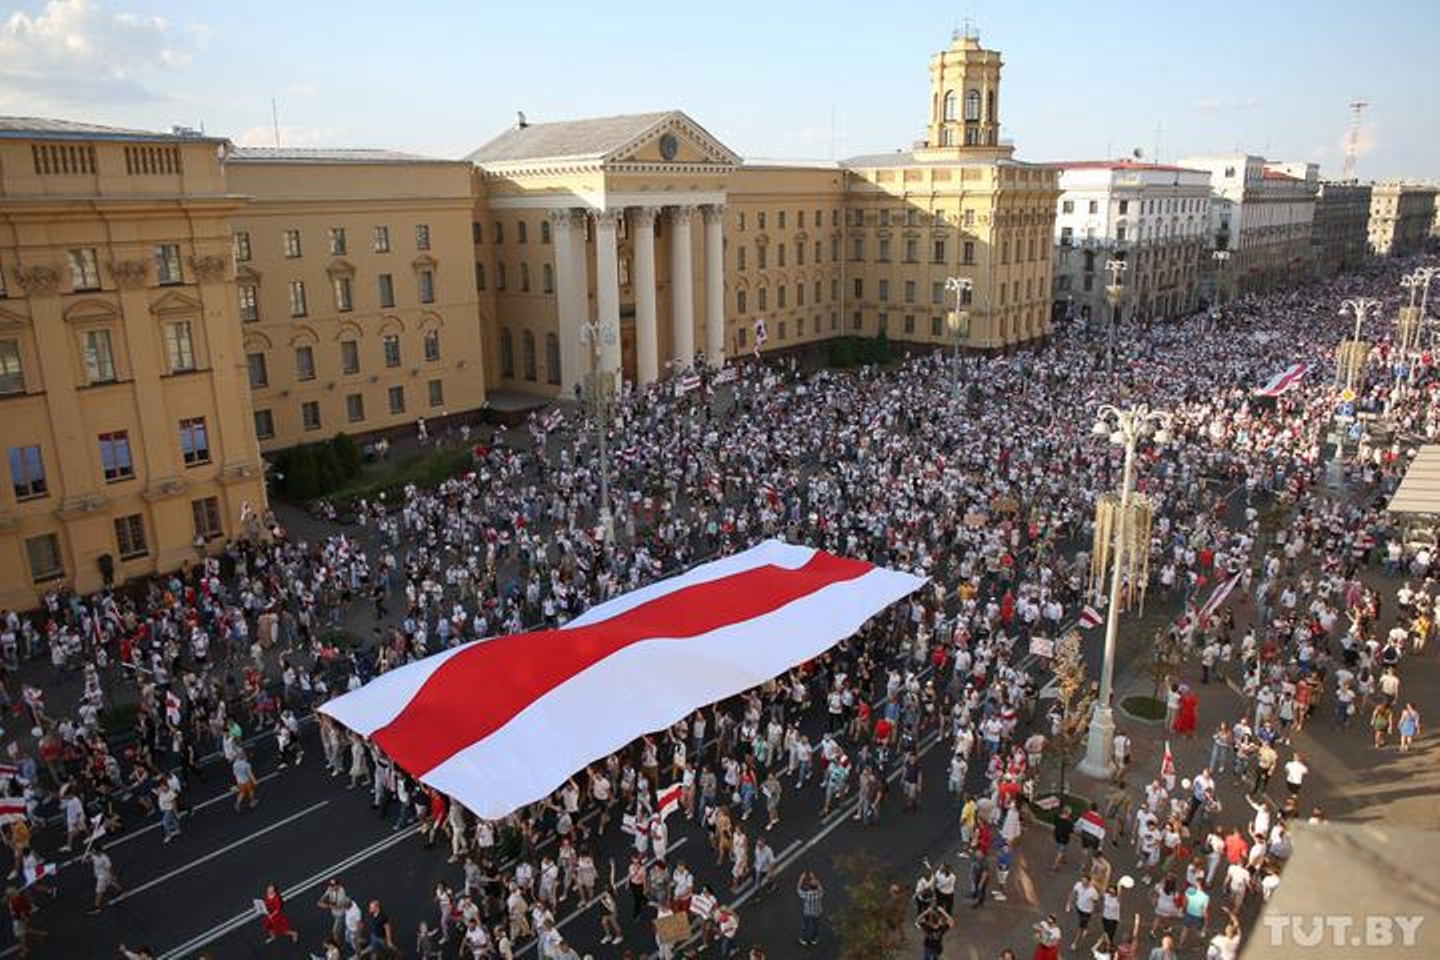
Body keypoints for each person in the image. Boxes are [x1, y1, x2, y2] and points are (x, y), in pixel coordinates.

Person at [796, 871, 823, 947]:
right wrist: (814, 877)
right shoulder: (819, 893)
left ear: (809, 886)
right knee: (815, 926)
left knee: (805, 926)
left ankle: (803, 939)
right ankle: (814, 939)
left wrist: (801, 879)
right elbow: (819, 886)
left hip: (807, 913)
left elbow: (798, 889)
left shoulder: (806, 894)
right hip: (816, 913)